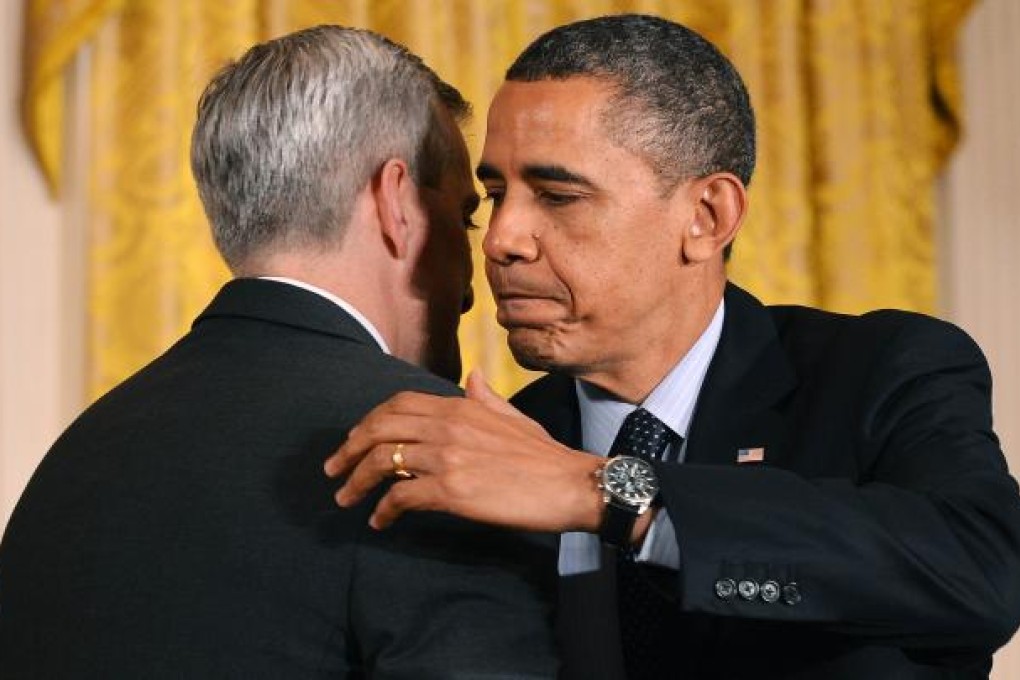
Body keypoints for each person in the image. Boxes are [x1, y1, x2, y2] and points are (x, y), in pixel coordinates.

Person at [326, 14, 1020, 679]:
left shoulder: (880, 370)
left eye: (557, 195)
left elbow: (982, 574)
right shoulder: (497, 449)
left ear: (706, 216)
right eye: (496, 194)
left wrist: (604, 495)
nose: (503, 239)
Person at [0, 25, 557, 679]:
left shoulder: (79, 452)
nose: (478, 269)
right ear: (396, 201)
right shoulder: (437, 451)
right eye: (463, 217)